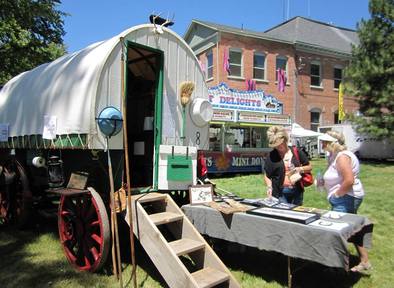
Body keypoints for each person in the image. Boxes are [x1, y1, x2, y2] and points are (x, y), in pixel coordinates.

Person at [320, 130, 372, 273]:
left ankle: (337, 266)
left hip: (346, 197)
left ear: (333, 143)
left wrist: (337, 195)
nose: (322, 144)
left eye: (325, 142)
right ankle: (365, 261)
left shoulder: (342, 157)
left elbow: (349, 180)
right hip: (347, 197)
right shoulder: (334, 156)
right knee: (352, 228)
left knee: (336, 231)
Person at [264, 126, 312, 205]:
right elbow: (267, 174)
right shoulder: (271, 155)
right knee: (284, 214)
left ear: (285, 140)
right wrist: (269, 187)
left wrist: (299, 169)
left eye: (280, 144)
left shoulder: (296, 151)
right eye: (276, 145)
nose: (278, 147)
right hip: (280, 193)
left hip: (297, 191)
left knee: (296, 214)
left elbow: (309, 167)